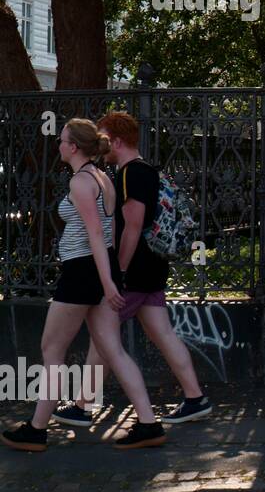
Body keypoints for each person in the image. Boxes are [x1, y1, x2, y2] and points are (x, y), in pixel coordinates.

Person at [1, 120, 166, 451]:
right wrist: (110, 279)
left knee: (52, 351)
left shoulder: (81, 182)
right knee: (113, 350)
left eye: (62, 140)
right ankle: (149, 423)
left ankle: (36, 430)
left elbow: (94, 234)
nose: (58, 145)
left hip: (81, 274)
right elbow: (108, 234)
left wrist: (108, 283)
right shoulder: (102, 178)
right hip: (97, 271)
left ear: (74, 147)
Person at [52, 111, 211, 427]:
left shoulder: (129, 174)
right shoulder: (149, 171)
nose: (100, 145)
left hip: (134, 272)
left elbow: (132, 226)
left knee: (103, 337)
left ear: (118, 141)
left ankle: (82, 406)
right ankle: (195, 398)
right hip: (153, 268)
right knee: (162, 334)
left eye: (104, 139)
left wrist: (118, 272)